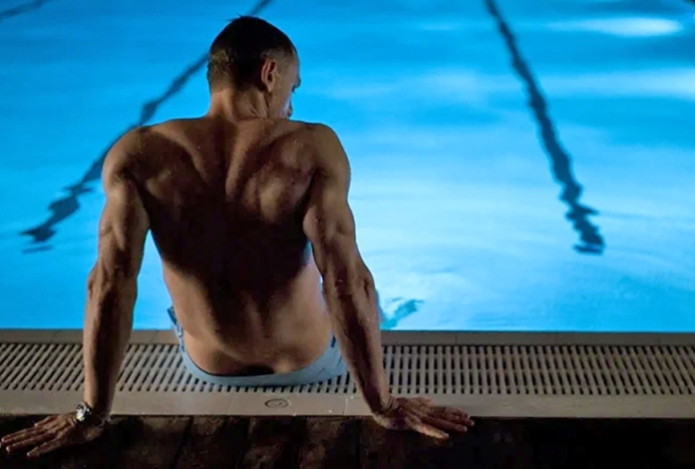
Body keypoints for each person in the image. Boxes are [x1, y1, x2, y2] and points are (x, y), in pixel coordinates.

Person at [0, 16, 473, 459]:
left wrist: (91, 413)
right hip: (306, 363)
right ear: (269, 74)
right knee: (368, 293)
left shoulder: (140, 152)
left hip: (208, 367)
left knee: (181, 294)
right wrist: (382, 405)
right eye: (292, 87)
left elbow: (109, 284)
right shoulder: (311, 146)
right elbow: (347, 281)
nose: (291, 105)